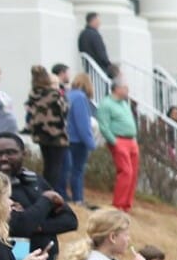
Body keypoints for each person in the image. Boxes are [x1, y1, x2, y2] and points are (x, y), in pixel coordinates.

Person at [0, 133, 78, 260]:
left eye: (11, 153)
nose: (3, 158)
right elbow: (19, 227)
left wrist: (37, 225)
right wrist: (46, 201)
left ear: (23, 154)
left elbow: (70, 221)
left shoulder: (35, 181)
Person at [96, 78, 138, 210]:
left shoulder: (124, 103)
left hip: (131, 141)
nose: (127, 90)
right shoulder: (106, 104)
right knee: (125, 171)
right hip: (119, 140)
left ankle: (126, 204)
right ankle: (118, 204)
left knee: (133, 173)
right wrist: (114, 142)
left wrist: (134, 139)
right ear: (117, 89)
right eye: (125, 87)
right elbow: (103, 126)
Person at [25, 65, 67, 195]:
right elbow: (64, 110)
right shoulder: (54, 94)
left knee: (47, 166)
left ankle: (43, 192)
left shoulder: (33, 94)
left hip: (41, 135)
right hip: (56, 134)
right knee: (55, 167)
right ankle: (50, 194)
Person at [63, 73, 99, 206]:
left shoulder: (68, 95)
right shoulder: (80, 97)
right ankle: (78, 198)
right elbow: (82, 122)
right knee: (77, 170)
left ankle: (70, 196)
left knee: (68, 170)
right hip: (77, 140)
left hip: (66, 137)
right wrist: (90, 142)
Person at [77, 11, 113, 79]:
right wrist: (109, 64)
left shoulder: (83, 34)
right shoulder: (94, 35)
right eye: (98, 20)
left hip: (89, 68)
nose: (100, 23)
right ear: (93, 20)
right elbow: (101, 53)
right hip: (99, 68)